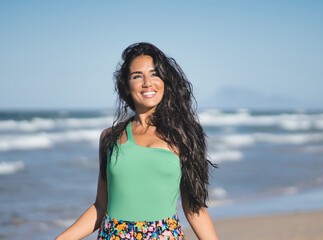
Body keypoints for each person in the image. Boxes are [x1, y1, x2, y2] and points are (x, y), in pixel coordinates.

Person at [55, 42, 219, 240]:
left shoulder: (183, 136)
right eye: (137, 76)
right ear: (126, 85)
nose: (147, 83)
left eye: (154, 74)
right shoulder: (110, 137)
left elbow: (194, 207)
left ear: (165, 81)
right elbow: (100, 206)